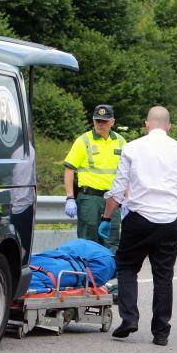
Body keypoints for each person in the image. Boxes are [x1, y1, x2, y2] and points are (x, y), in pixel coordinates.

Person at [102, 106, 177, 346]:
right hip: (170, 223)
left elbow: (117, 189)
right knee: (163, 277)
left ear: (147, 124)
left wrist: (106, 218)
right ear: (169, 126)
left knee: (126, 267)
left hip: (138, 219)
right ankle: (161, 332)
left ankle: (129, 318)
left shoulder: (132, 148)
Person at [63, 105, 125, 252]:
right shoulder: (83, 141)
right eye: (97, 121)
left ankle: (110, 273)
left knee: (112, 240)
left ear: (112, 122)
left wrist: (127, 198)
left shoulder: (121, 142)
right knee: (88, 239)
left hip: (113, 199)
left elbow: (126, 173)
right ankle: (88, 274)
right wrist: (70, 197)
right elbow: (69, 169)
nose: (100, 124)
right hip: (89, 199)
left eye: (104, 121)